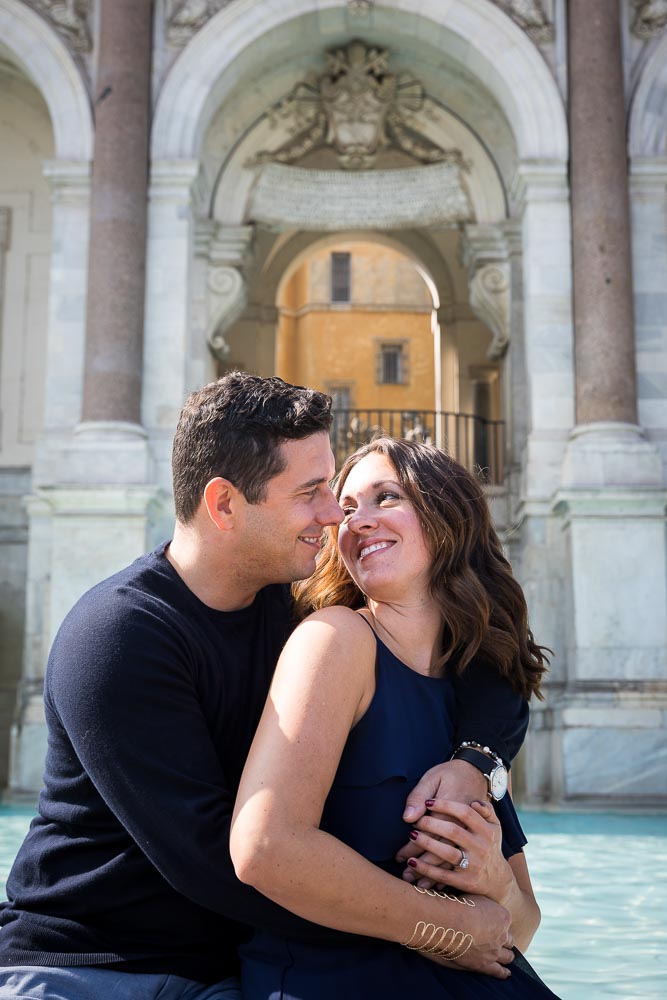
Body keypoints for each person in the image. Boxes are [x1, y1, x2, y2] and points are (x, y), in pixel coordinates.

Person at [0, 375, 529, 1000]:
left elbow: (484, 664)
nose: (336, 515)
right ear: (224, 504)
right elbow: (226, 860)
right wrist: (443, 928)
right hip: (90, 965)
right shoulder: (118, 636)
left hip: (230, 968)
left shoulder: (297, 609)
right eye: (312, 493)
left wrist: (476, 761)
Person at [231, 436, 560, 999]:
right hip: (342, 980)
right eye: (349, 506)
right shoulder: (336, 639)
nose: (359, 521)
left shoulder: (476, 712)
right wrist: (447, 928)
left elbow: (520, 930)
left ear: (447, 518)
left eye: (387, 497)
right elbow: (265, 848)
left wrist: (495, 883)